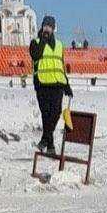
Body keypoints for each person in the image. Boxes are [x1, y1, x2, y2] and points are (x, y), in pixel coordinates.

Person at [29, 16, 73, 155]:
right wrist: (43, 39)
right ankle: (51, 146)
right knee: (46, 116)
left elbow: (60, 66)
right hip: (42, 84)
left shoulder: (59, 45)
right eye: (45, 26)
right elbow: (36, 55)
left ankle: (44, 139)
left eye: (50, 26)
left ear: (53, 28)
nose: (47, 28)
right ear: (42, 27)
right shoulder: (35, 42)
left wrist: (67, 85)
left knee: (56, 113)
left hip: (57, 85)